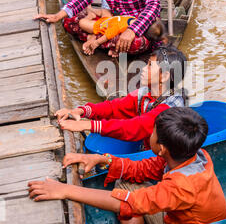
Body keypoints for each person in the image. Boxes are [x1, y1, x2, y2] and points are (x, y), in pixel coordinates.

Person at [28, 107, 226, 224]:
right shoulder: (195, 155)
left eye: (152, 132)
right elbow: (140, 169)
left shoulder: (182, 185)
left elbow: (129, 203)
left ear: (161, 148)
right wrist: (100, 158)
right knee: (127, 181)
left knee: (127, 196)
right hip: (191, 221)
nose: (149, 134)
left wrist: (65, 190)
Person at [55, 45, 187, 150]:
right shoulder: (145, 93)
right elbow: (115, 107)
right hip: (147, 148)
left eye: (150, 66)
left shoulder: (170, 107)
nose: (144, 69)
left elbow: (136, 127)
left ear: (164, 76)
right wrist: (82, 110)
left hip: (162, 161)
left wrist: (88, 125)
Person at [82, 12, 167, 56]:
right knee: (84, 21)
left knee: (82, 22)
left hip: (105, 24)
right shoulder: (126, 29)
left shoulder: (130, 24)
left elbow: (109, 35)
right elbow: (110, 35)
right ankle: (90, 13)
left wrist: (96, 42)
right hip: (106, 23)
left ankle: (90, 15)